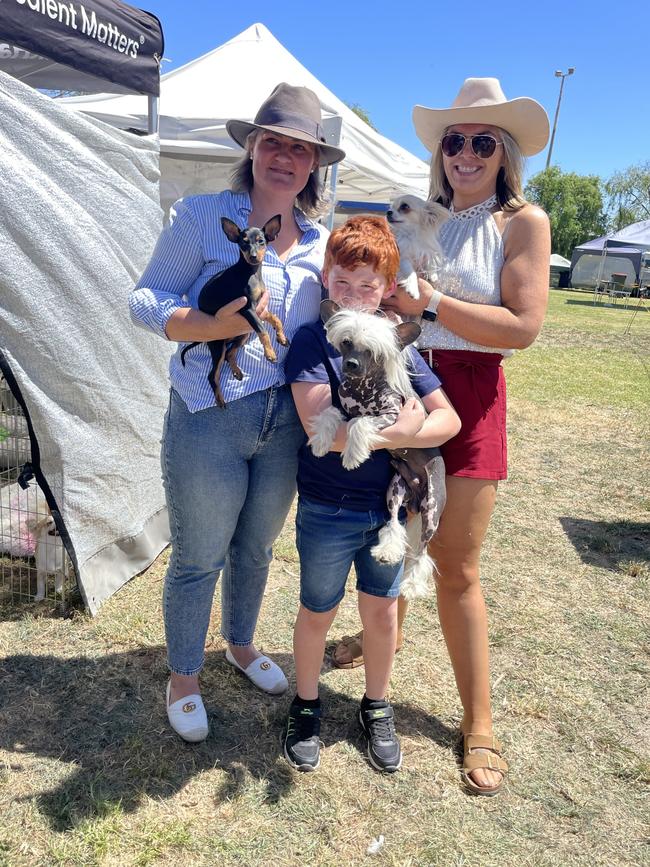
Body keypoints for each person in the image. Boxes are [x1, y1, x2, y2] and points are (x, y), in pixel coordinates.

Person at [332, 78, 551, 795]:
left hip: (475, 392)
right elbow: (398, 310)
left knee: (455, 562)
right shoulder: (414, 217)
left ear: (504, 152)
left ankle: (479, 720)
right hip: (404, 378)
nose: (463, 153)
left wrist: (433, 302)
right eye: (453, 140)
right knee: (386, 528)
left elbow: (522, 328)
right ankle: (375, 639)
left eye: (481, 141)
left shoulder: (524, 223)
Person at [129, 83, 346, 743]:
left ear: (314, 164)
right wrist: (201, 321)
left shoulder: (320, 243)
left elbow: (342, 318)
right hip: (206, 412)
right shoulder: (201, 216)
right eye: (272, 142)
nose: (284, 157)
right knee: (198, 552)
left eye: (299, 149)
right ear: (251, 148)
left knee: (255, 545)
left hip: (284, 422)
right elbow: (144, 298)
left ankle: (242, 642)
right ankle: (184, 676)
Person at [282, 217, 461, 773]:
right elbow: (320, 430)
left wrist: (403, 435)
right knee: (318, 610)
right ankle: (306, 704)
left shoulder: (397, 343)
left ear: (387, 288)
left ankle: (376, 704)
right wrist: (393, 435)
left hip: (388, 510)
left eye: (367, 284)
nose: (355, 294)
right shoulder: (315, 339)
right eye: (343, 281)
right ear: (326, 279)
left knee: (382, 614)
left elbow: (447, 420)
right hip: (328, 507)